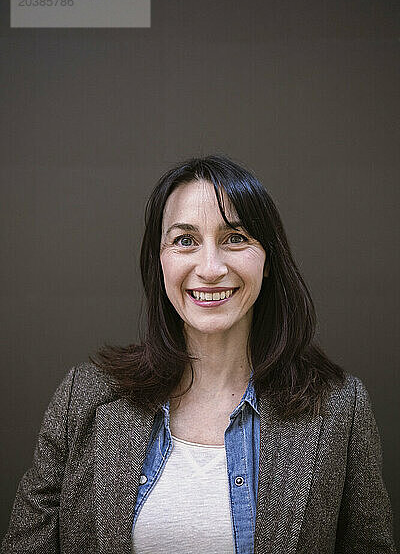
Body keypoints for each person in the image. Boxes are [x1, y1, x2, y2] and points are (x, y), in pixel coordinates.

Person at [1, 155, 396, 554]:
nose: (210, 268)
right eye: (185, 240)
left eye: (235, 238)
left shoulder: (341, 408)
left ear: (268, 260)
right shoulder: (83, 397)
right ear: (160, 261)